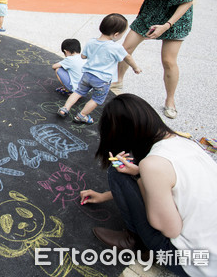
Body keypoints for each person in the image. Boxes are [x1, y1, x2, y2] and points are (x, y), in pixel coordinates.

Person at [80, 93, 217, 277]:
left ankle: (133, 240)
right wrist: (107, 194)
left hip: (192, 262)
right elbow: (172, 186)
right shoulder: (185, 142)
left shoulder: (152, 165)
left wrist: (141, 179)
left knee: (116, 171)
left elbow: (170, 229)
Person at [104, 0, 193, 119]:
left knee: (168, 61)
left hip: (175, 14)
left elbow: (187, 1)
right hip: (151, 11)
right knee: (124, 49)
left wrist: (166, 25)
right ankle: (118, 83)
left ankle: (170, 100)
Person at [57, 13, 141, 124]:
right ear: (116, 34)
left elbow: (83, 56)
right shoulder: (116, 47)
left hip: (87, 75)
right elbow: (127, 57)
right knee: (96, 100)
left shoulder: (91, 42)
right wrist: (136, 67)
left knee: (78, 92)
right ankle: (82, 115)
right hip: (102, 79)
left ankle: (65, 108)